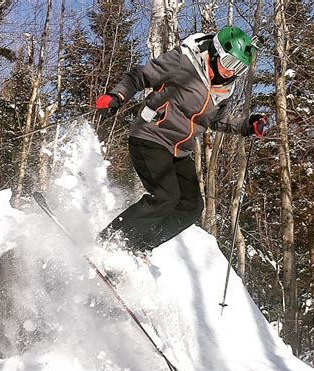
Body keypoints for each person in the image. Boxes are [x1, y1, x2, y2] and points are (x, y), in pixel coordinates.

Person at [96, 26, 267, 253]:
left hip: (178, 150)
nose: (230, 72)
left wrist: (247, 126)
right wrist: (117, 95)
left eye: (238, 68)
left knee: (192, 207)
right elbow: (140, 76)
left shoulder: (223, 90)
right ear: (215, 52)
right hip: (151, 136)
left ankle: (137, 248)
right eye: (228, 62)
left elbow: (217, 119)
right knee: (166, 197)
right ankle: (107, 244)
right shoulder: (184, 62)